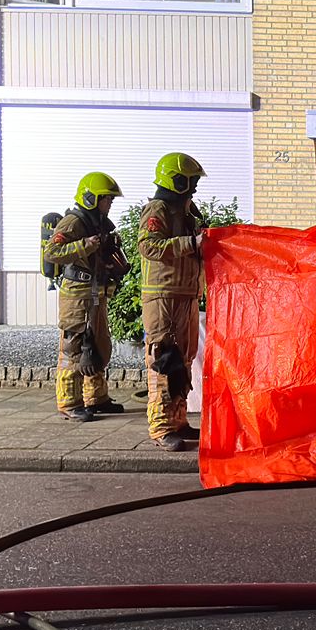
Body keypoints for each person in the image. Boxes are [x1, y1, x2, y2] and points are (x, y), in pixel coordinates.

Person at [138, 151, 208, 451]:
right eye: (190, 181)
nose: (193, 187)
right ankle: (161, 426)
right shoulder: (159, 209)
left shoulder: (186, 211)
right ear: (176, 180)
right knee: (165, 360)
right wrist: (191, 243)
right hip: (163, 296)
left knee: (185, 359)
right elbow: (148, 246)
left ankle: (178, 420)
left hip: (184, 295)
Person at [47, 170, 129, 422]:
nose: (110, 203)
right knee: (74, 347)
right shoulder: (73, 222)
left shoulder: (99, 221)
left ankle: (96, 397)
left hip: (95, 292)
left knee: (98, 345)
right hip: (77, 294)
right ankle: (69, 402)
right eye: (107, 199)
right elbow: (52, 252)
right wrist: (85, 245)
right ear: (92, 198)